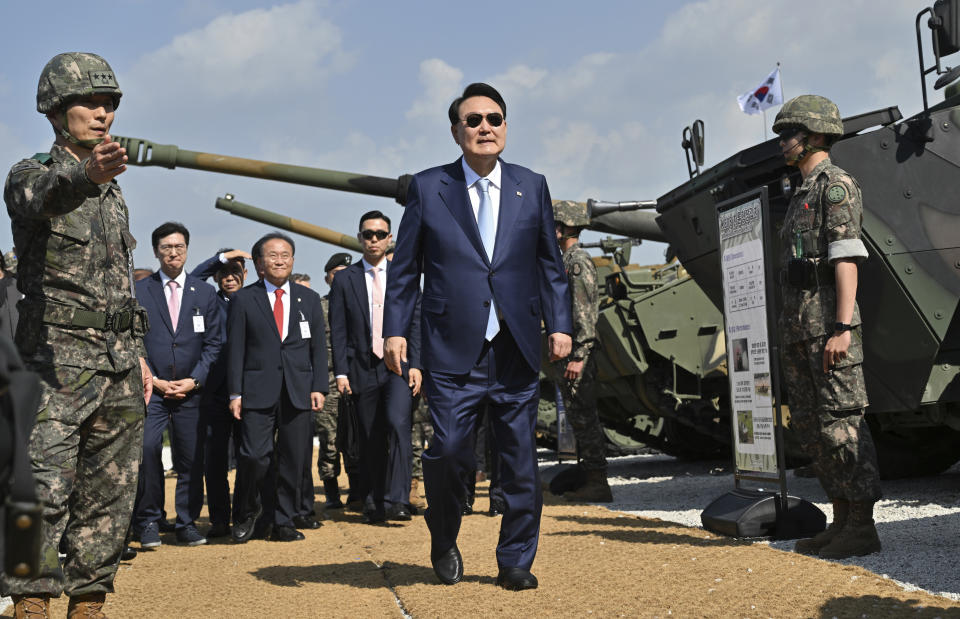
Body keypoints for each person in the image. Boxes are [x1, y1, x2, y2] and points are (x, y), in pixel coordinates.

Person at [383, 82, 572, 590]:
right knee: (447, 452)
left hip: (515, 347)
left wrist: (560, 324)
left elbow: (549, 265)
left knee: (520, 459)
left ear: (505, 127)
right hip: (452, 348)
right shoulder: (428, 187)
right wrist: (394, 332)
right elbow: (405, 271)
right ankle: (443, 536)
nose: (485, 127)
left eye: (494, 118)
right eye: (473, 120)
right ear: (455, 131)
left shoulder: (531, 185)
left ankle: (515, 559)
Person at [1, 52, 152, 617]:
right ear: (56, 111)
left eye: (109, 103)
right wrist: (87, 175)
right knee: (38, 493)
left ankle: (89, 603)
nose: (103, 113)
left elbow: (117, 285)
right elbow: (44, 197)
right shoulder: (29, 173)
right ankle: (30, 605)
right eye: (89, 102)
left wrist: (138, 357)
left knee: (109, 500)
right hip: (54, 368)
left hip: (117, 367)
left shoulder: (114, 193)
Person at [773, 95, 882, 559]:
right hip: (800, 329)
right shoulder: (798, 190)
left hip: (827, 328)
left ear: (814, 136)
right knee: (814, 430)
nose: (782, 143)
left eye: (789, 134)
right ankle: (840, 520)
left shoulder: (834, 186)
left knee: (842, 425)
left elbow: (846, 259)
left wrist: (841, 326)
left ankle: (862, 525)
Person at [227, 232, 327, 542]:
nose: (279, 259)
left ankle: (282, 520)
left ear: (293, 260)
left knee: (294, 459)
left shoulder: (308, 299)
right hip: (256, 388)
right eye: (272, 255)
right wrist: (235, 392)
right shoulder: (244, 299)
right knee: (255, 456)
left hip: (298, 389)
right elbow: (235, 350)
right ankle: (246, 511)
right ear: (259, 264)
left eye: (285, 254)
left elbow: (319, 349)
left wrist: (319, 386)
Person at [133, 222, 222, 548]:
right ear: (156, 251)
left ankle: (186, 522)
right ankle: (149, 521)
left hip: (191, 390)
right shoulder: (140, 290)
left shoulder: (205, 292)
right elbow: (134, 340)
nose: (173, 252)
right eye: (167, 247)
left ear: (187, 250)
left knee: (190, 457)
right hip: (151, 389)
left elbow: (214, 344)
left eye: (179, 247)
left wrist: (194, 379)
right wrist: (153, 380)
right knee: (148, 450)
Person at [329, 212, 422, 524]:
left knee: (398, 426)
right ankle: (373, 501)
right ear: (360, 238)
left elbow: (417, 322)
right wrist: (340, 372)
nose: (373, 240)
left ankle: (398, 499)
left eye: (380, 234)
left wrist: (417, 365)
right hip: (361, 367)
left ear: (389, 238)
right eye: (368, 234)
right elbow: (338, 329)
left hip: (398, 365)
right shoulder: (344, 279)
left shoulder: (404, 275)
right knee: (369, 435)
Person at [551, 200, 612, 503]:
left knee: (585, 417)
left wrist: (579, 355)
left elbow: (584, 312)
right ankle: (587, 474)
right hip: (567, 357)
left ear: (562, 228)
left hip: (577, 357)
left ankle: (598, 480)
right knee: (577, 417)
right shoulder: (564, 260)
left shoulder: (577, 261)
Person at [191, 249, 250, 538]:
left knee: (248, 458)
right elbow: (192, 279)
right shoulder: (208, 299)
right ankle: (218, 518)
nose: (229, 278)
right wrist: (222, 256)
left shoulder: (254, 300)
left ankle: (243, 517)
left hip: (248, 393)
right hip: (213, 393)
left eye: (235, 272)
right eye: (224, 273)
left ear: (245, 275)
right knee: (214, 461)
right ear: (216, 276)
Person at [305, 253, 353, 511]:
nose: (342, 276)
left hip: (355, 381)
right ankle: (332, 490)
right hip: (328, 381)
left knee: (357, 438)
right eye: (337, 272)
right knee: (329, 440)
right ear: (327, 277)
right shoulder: (318, 307)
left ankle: (358, 489)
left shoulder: (358, 304)